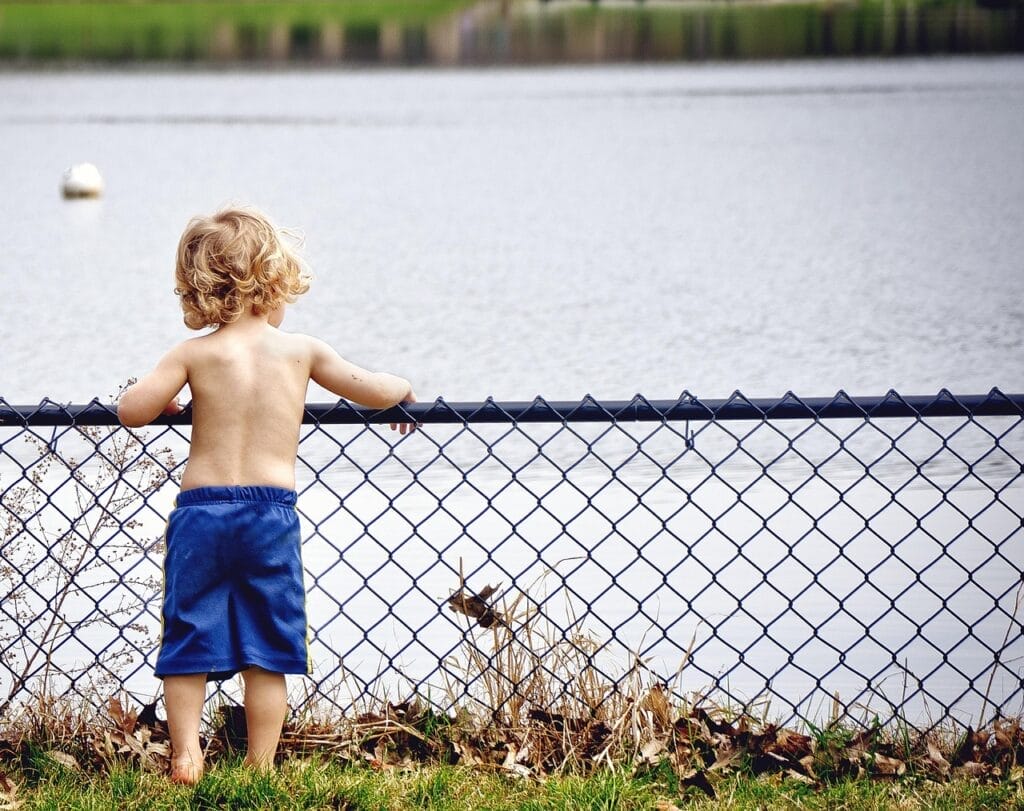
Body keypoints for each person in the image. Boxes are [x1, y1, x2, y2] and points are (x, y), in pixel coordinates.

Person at [118, 207, 416, 784]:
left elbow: (133, 410)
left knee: (188, 634)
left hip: (201, 513)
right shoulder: (301, 350)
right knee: (267, 646)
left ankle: (186, 755)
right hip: (268, 515)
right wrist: (404, 387)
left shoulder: (193, 354)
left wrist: (163, 400)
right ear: (272, 280)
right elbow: (375, 392)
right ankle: (259, 764)